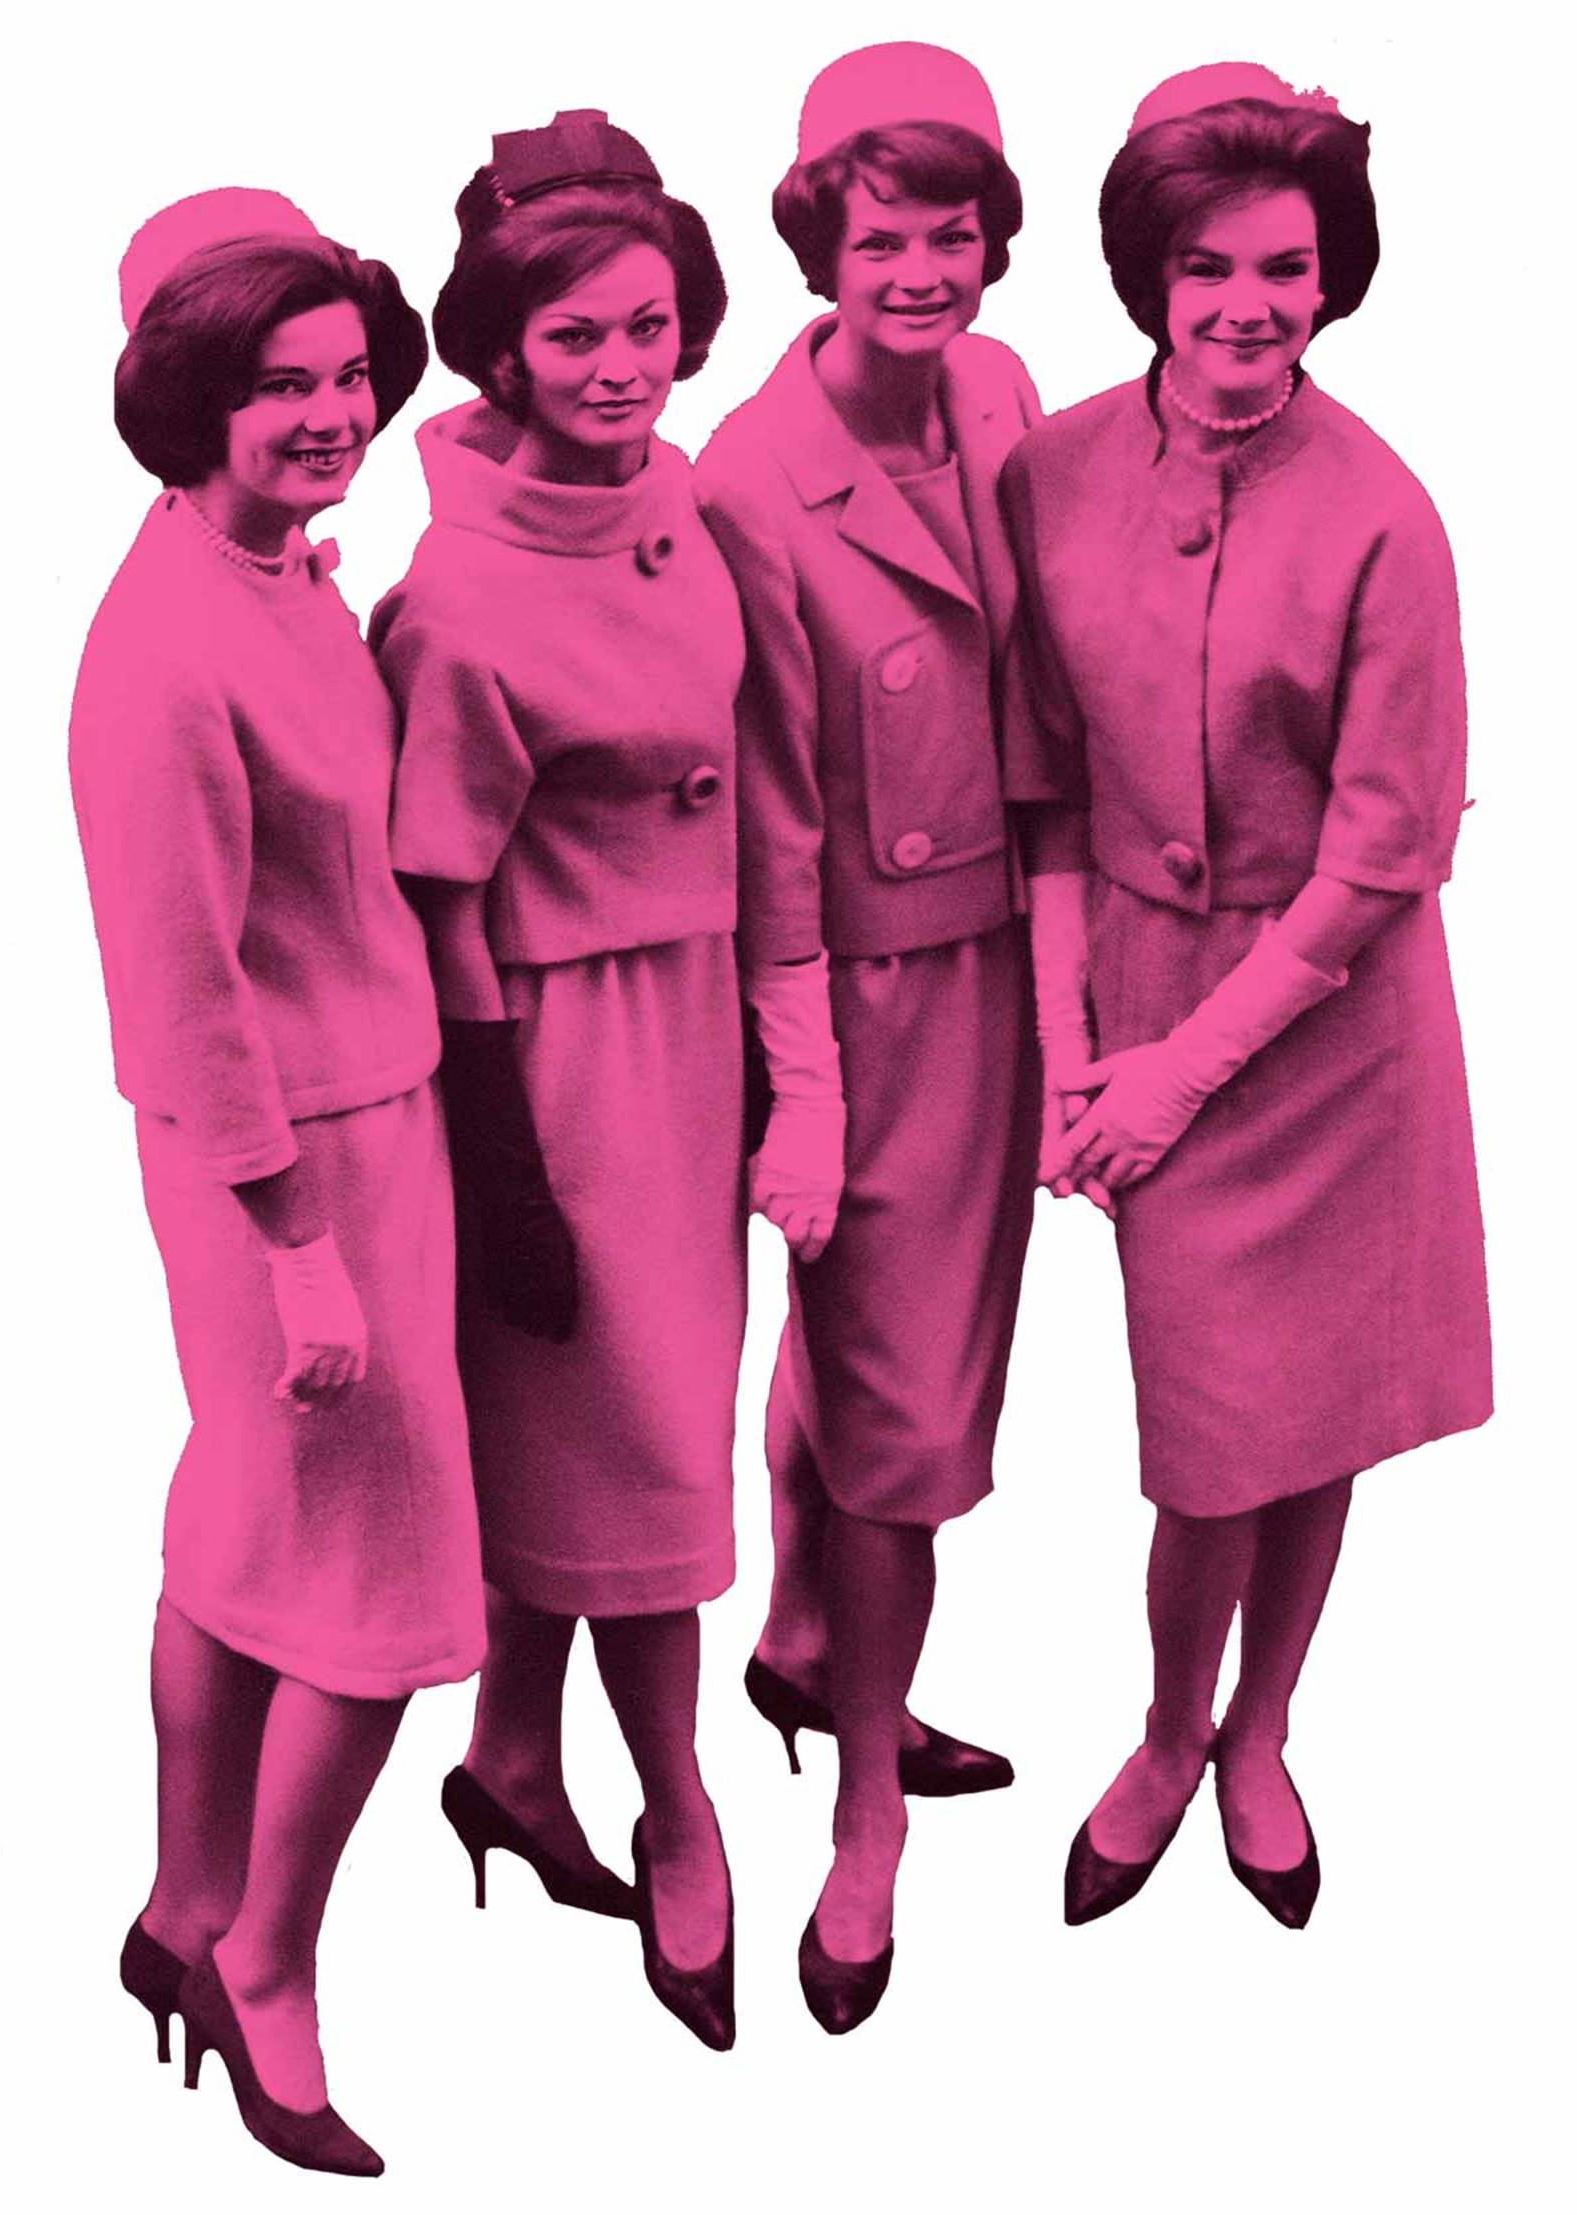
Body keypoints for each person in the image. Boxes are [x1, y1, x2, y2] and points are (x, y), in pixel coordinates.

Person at [1002, 64, 1492, 1929]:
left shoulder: (1385, 513)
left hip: (1335, 1022)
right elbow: (1045, 784)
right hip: (1139, 981)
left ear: (1332, 274)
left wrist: (1173, 1077)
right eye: (1206, 266)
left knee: (1317, 1415)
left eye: (1285, 267)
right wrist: (1075, 1056)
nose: (1246, 306)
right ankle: (1164, 1730)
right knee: (1212, 1444)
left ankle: (1260, 1731)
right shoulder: (1050, 472)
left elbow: (1387, 852)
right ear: (1149, 271)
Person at [71, 190, 484, 2175]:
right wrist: (302, 1252)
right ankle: (267, 1961)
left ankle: (177, 1906)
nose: (327, 415)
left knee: (248, 1530)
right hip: (285, 1169)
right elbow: (182, 991)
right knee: (378, 1595)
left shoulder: (272, 571)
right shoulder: (161, 655)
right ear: (185, 400)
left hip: (358, 1128)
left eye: (343, 375)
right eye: (274, 386)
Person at [372, 113, 744, 2051]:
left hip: (689, 1024)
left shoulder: (671, 496)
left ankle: (512, 1759)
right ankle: (680, 1810)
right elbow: (438, 899)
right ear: (502, 354)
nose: (620, 368)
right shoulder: (456, 597)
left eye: (649, 327)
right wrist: (504, 1161)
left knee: (587, 1449)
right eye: (576, 336)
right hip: (559, 1051)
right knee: (648, 1458)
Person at [695, 43, 1043, 2031]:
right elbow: (771, 827)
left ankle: (804, 1639)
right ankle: (863, 1817)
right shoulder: (753, 481)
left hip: (995, 955)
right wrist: (807, 1096)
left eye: (951, 233)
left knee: (863, 1352)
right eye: (880, 238)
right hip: (858, 983)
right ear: (818, 243)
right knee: (907, 1412)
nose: (920, 272)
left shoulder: (996, 393)